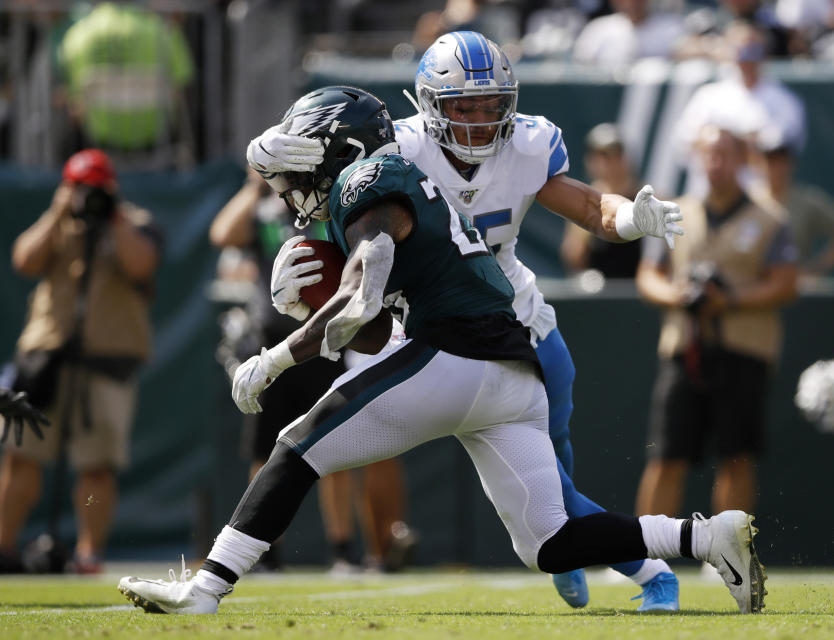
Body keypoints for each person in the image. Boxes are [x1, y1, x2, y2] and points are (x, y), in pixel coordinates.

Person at [116, 84, 765, 616]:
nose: (289, 186)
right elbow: (370, 322)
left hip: (457, 358)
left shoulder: (365, 181)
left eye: (299, 163)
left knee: (294, 446)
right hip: (512, 374)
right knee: (550, 542)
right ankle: (705, 535)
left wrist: (276, 358)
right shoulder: (389, 180)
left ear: (339, 152)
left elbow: (363, 299)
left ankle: (204, 590)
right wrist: (312, 302)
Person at [392, 31, 682, 610]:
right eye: (462, 106)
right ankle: (650, 569)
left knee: (556, 469)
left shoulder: (526, 147)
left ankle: (580, 554)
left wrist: (627, 218)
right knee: (548, 488)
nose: (478, 119)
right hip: (434, 335)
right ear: (429, 106)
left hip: (522, 326)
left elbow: (588, 205)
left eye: (490, 104)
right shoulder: (398, 152)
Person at [209, 169, 415, 574]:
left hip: (327, 338)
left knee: (330, 443)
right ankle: (263, 551)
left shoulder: (329, 205)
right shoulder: (264, 207)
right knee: (265, 449)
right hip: (272, 334)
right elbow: (222, 234)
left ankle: (342, 547)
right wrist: (254, 186)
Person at [0, 148, 161, 574]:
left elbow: (142, 265)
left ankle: (89, 553)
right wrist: (58, 211)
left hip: (107, 362)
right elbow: (23, 260)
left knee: (97, 467)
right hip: (45, 358)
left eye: (96, 188)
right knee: (20, 454)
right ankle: (3, 546)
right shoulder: (57, 225)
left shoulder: (134, 223)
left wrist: (112, 215)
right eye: (80, 188)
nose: (88, 197)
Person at [634, 127, 798, 540]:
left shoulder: (770, 218)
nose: (715, 163)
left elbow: (785, 283)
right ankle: (647, 551)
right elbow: (648, 276)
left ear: (742, 160)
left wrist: (730, 299)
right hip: (684, 346)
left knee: (737, 456)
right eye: (708, 154)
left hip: (743, 349)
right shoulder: (674, 211)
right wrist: (679, 295)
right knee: (666, 455)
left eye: (724, 154)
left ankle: (725, 553)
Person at [673, 20, 806, 198]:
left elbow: (777, 150)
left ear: (765, 54)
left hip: (758, 204)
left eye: (754, 51)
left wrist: (727, 145)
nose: (748, 59)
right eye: (741, 52)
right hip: (706, 199)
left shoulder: (785, 101)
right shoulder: (707, 97)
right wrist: (737, 145)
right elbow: (686, 141)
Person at [57, 2, 196, 168]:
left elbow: (74, 98)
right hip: (157, 141)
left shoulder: (78, 35)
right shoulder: (164, 31)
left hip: (99, 144)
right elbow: (181, 85)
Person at [751, 126, 834, 276]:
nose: (775, 166)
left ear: (791, 162)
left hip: (793, 290)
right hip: (751, 290)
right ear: (758, 161)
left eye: (781, 159)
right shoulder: (746, 200)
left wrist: (816, 268)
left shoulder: (807, 201)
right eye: (770, 159)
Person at [560, 123, 643, 279]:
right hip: (600, 291)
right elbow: (574, 257)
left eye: (614, 155)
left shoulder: (647, 198)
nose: (608, 163)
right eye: (600, 156)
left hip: (639, 291)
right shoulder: (585, 202)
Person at [571, 0, 686, 65]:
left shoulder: (671, 26)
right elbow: (580, 65)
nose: (633, 2)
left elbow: (691, 48)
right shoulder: (598, 28)